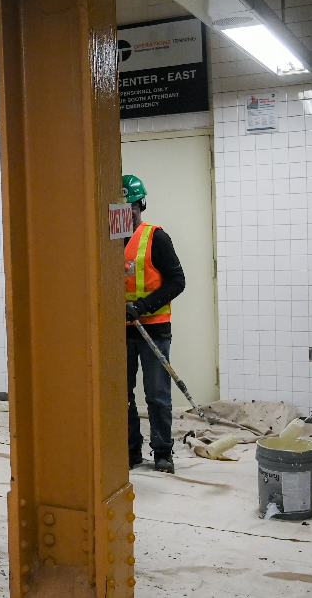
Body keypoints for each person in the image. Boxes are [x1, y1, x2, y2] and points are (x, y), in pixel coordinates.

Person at [123, 175, 186, 474]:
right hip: (119, 331)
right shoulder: (106, 240)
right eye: (120, 208)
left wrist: (143, 306)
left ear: (141, 205)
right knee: (121, 395)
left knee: (157, 396)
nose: (126, 214)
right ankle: (131, 450)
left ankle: (162, 452)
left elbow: (177, 281)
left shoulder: (156, 238)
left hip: (153, 329)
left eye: (131, 207)